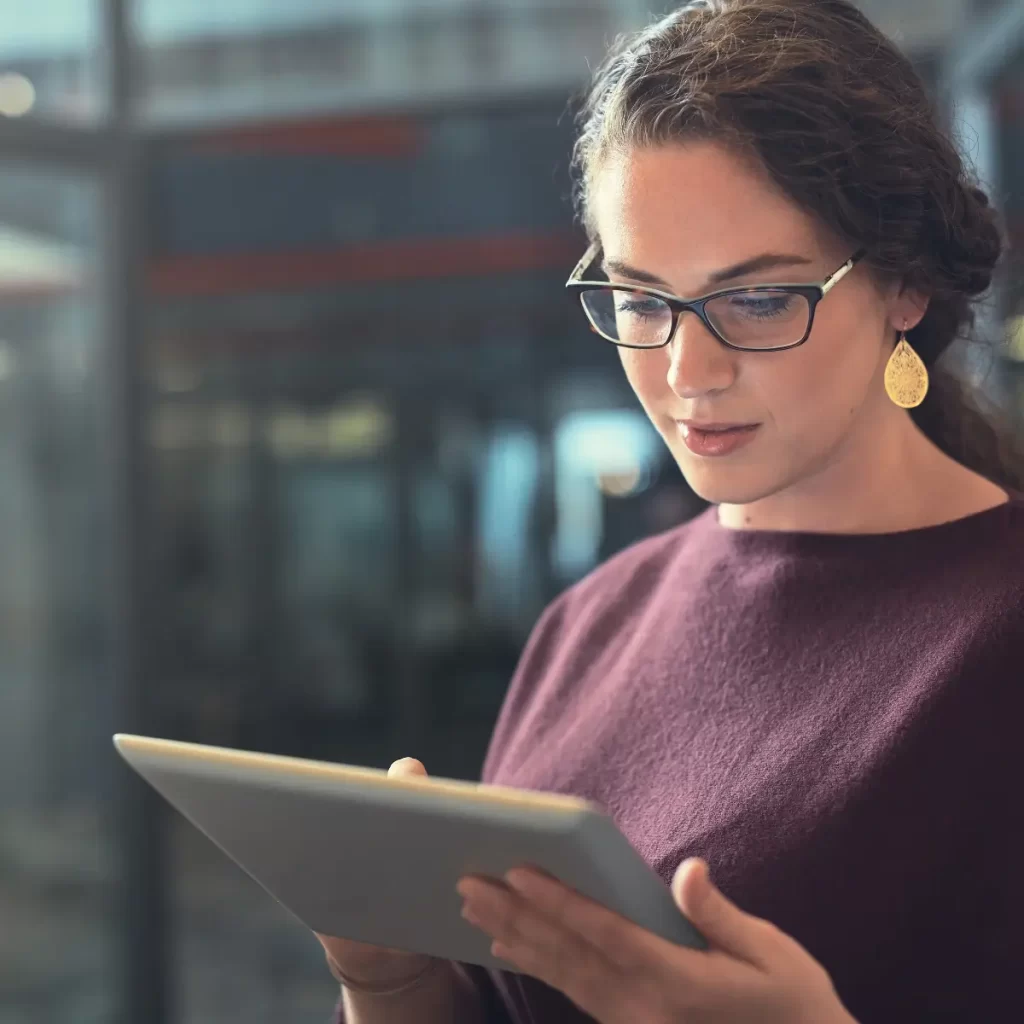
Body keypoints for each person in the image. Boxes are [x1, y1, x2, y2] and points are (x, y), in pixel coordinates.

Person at [317, 1, 1024, 1021]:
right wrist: (390, 981)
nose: (687, 370)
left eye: (760, 298)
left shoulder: (995, 633)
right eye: (642, 301)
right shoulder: (590, 622)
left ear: (902, 282)